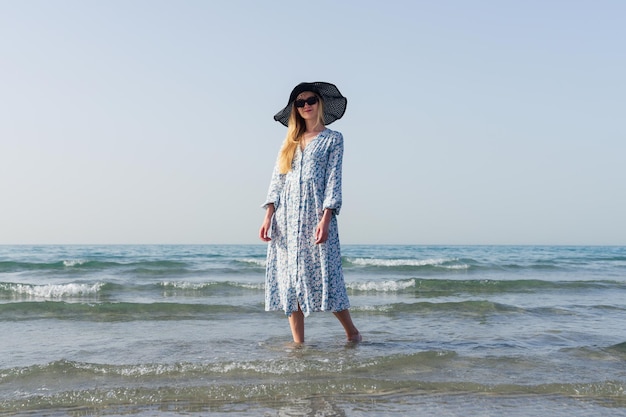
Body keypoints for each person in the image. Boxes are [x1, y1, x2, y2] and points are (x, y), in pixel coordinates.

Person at [259, 81, 361, 344]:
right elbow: (277, 180)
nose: (306, 106)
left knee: (327, 274)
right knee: (289, 279)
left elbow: (333, 180)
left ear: (320, 104)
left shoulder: (333, 139)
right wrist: (269, 214)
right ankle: (298, 344)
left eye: (310, 100)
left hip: (315, 217)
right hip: (286, 218)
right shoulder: (289, 141)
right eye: (300, 102)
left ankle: (352, 333)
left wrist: (326, 217)